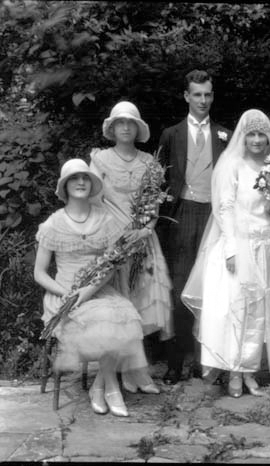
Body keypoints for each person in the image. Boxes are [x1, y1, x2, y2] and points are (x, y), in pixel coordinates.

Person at [181, 109, 270, 397]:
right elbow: (224, 209)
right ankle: (234, 373)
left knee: (262, 312)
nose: (258, 140)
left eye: (262, 133)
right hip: (241, 245)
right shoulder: (232, 165)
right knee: (239, 311)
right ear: (243, 136)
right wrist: (231, 249)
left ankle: (251, 372)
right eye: (251, 134)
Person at [34, 158, 151, 417]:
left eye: (85, 177)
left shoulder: (106, 221)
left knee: (122, 316)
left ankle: (103, 387)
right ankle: (111, 389)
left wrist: (85, 293)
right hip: (62, 293)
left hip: (99, 288)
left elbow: (110, 265)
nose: (80, 182)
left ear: (91, 184)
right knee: (105, 320)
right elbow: (39, 273)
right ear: (64, 187)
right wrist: (66, 293)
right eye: (74, 178)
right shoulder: (53, 224)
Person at [90, 101, 172, 394]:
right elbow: (93, 202)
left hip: (142, 239)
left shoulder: (149, 162)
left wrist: (145, 229)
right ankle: (124, 370)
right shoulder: (99, 161)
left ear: (138, 128)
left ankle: (136, 372)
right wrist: (110, 235)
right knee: (120, 306)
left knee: (139, 303)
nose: (125, 127)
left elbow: (153, 203)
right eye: (120, 123)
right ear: (112, 129)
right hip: (113, 241)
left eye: (130, 122)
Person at [157, 70, 232, 385]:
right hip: (181, 214)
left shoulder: (224, 135)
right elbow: (157, 180)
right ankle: (175, 363)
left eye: (208, 94)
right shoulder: (171, 134)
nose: (203, 100)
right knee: (178, 288)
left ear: (212, 96)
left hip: (214, 216)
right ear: (186, 96)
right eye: (197, 94)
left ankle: (206, 361)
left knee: (212, 289)